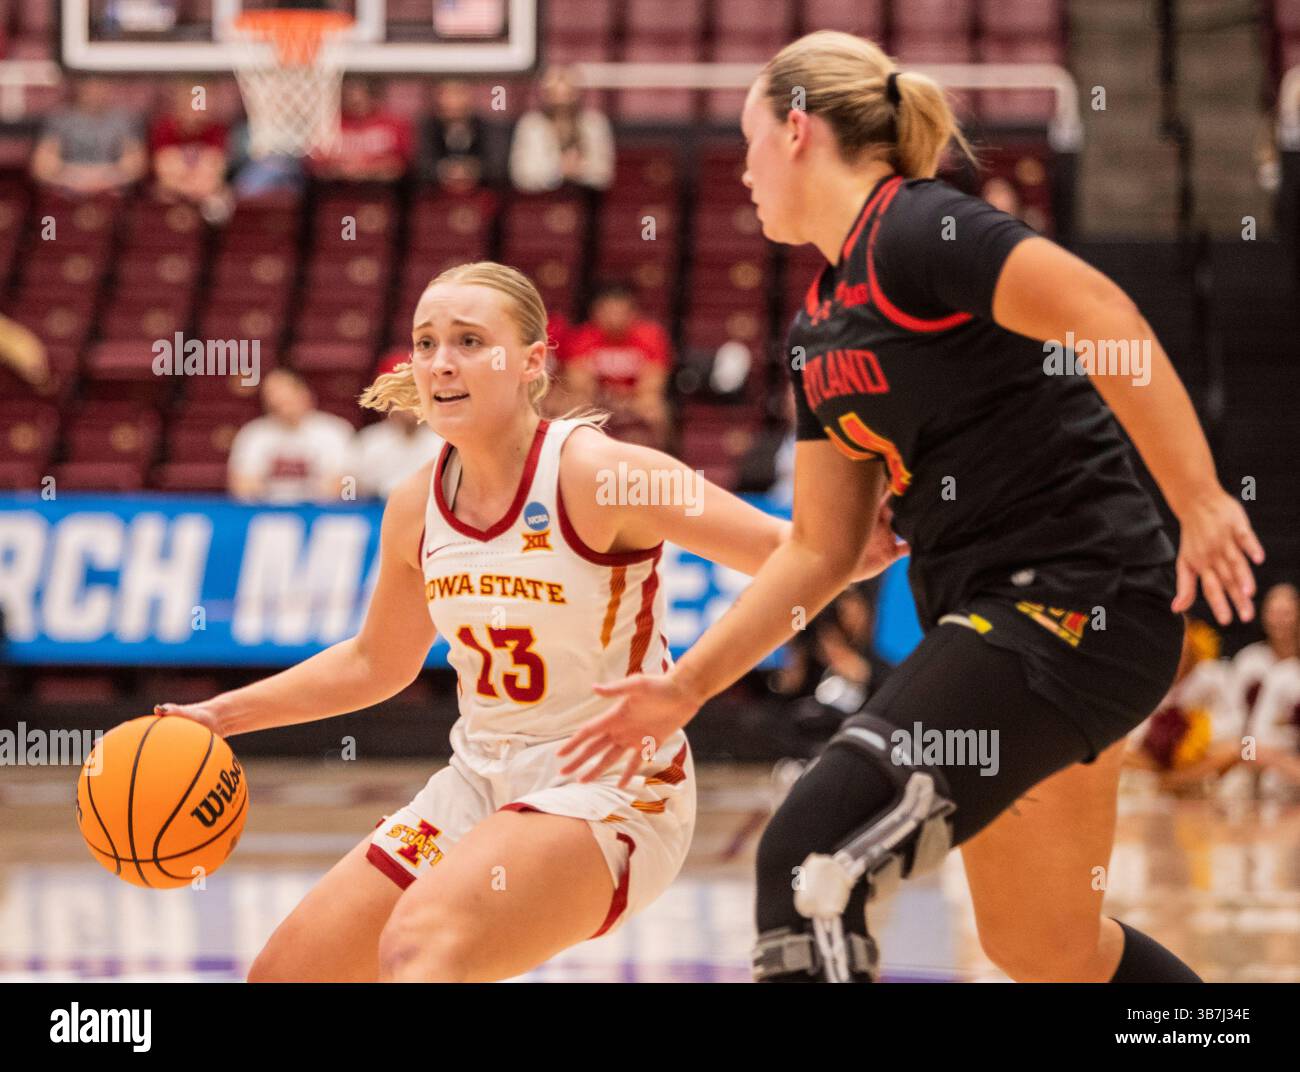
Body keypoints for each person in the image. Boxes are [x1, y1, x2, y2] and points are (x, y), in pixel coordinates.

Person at [557, 30, 1265, 983]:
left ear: (799, 130)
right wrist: (685, 689)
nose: (742, 171)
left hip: (1069, 600)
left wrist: (1201, 495)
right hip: (1003, 622)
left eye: (748, 139)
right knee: (1044, 948)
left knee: (809, 862)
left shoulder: (921, 230)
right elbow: (817, 551)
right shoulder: (818, 324)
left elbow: (1101, 317)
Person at [155, 261, 889, 982]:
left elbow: (796, 551)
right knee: (287, 976)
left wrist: (876, 534)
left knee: (421, 948)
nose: (441, 361)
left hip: (614, 786)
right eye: (426, 342)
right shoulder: (415, 504)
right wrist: (222, 715)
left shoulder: (601, 473)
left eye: (470, 341)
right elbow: (377, 662)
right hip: (479, 779)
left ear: (532, 362)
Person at [561, 281, 672, 449]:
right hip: (597, 399)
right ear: (596, 313)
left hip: (635, 400)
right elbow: (578, 384)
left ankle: (661, 459)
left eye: (620, 312)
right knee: (572, 403)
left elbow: (652, 385)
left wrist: (625, 399)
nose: (614, 319)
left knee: (654, 409)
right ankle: (574, 455)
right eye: (608, 312)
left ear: (633, 314)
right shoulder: (583, 337)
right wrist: (608, 398)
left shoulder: (651, 336)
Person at [227, 368, 355, 503]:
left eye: (286, 395)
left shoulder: (334, 431)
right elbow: (242, 486)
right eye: (272, 395)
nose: (279, 400)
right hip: (269, 514)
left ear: (304, 394)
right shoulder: (254, 434)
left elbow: (346, 483)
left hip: (323, 514)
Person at [30, 77, 147, 197]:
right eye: (89, 81)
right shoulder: (58, 118)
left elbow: (135, 166)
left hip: (112, 197)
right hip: (66, 197)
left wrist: (101, 180)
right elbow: (42, 167)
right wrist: (79, 179)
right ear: (78, 84)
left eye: (100, 81)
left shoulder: (126, 119)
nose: (95, 88)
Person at [508, 66, 613, 193]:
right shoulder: (531, 126)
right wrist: (558, 171)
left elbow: (604, 173)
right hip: (540, 201)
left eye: (568, 96)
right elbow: (521, 175)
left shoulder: (594, 124)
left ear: (577, 95)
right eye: (555, 96)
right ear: (546, 96)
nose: (562, 106)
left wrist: (579, 170)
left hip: (586, 199)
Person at [149, 80, 233, 223]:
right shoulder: (165, 129)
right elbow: (167, 178)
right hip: (173, 195)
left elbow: (213, 175)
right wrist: (193, 188)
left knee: (221, 201)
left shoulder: (216, 130)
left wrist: (199, 187)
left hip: (203, 195)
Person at [308, 77, 413, 184]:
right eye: (347, 96)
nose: (352, 100)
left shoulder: (394, 124)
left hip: (380, 192)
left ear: (372, 97)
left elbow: (400, 165)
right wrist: (341, 170)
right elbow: (317, 166)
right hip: (335, 192)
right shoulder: (328, 125)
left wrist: (365, 170)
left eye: (357, 98)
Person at [418, 79, 504, 193]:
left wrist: (471, 170)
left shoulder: (486, 127)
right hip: (437, 195)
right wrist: (445, 171)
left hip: (480, 194)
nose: (452, 101)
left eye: (458, 94)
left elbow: (496, 165)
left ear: (469, 97)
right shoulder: (428, 127)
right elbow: (422, 165)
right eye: (447, 94)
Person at [1231, 582, 1298, 722]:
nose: (1279, 621)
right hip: (1252, 741)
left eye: (1286, 613)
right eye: (1273, 613)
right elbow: (1234, 713)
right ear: (1263, 616)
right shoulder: (1248, 659)